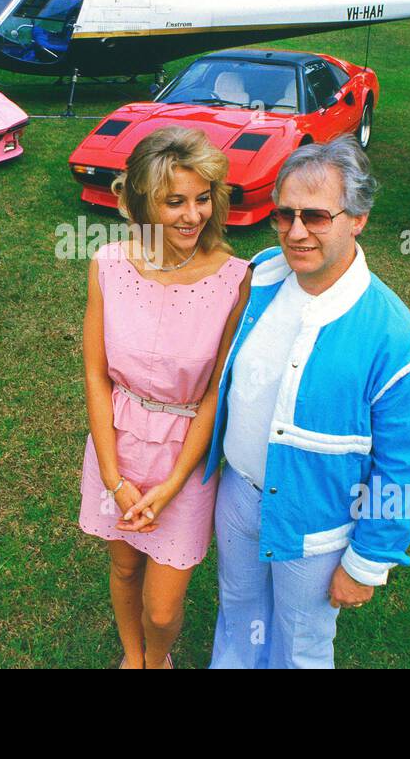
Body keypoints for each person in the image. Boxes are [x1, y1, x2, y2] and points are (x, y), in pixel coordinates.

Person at [204, 138, 410, 669]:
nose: (295, 232)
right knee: (238, 610)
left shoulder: (401, 345)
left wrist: (367, 563)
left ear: (357, 218)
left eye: (315, 216)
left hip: (317, 523)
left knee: (302, 641)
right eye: (284, 214)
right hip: (238, 495)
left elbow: (405, 469)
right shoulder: (264, 273)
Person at [79, 126, 251, 669]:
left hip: (186, 458)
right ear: (140, 203)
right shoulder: (106, 264)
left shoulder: (235, 280)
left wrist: (173, 484)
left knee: (161, 608)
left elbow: (214, 398)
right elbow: (95, 374)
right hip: (117, 443)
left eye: (203, 199)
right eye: (174, 201)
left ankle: (159, 658)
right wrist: (113, 477)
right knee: (125, 568)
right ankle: (134, 659)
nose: (192, 216)